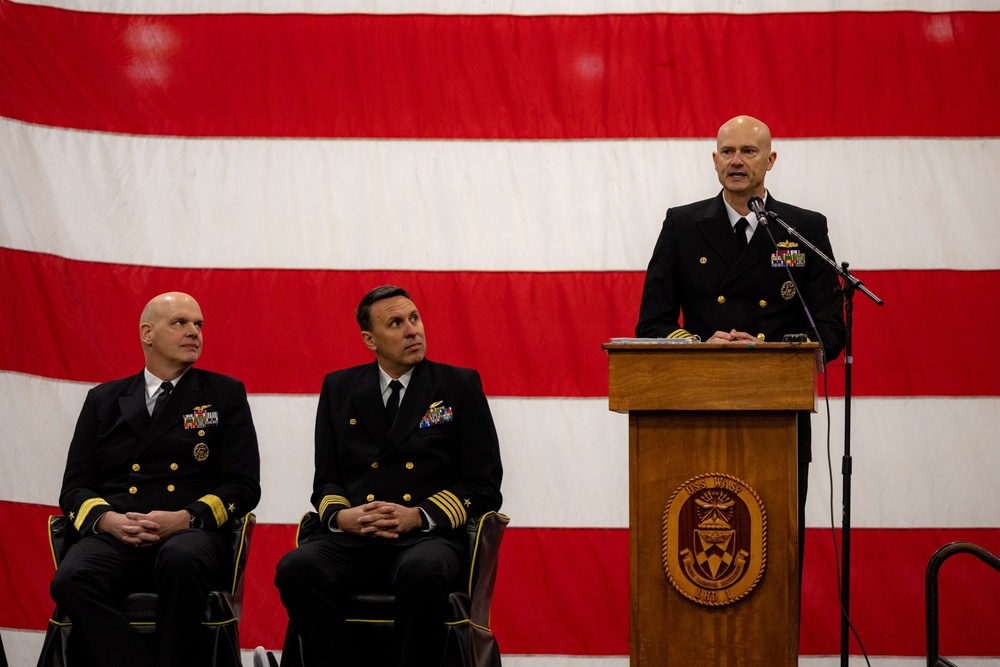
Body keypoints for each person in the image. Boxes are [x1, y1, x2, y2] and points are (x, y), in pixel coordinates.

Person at [635, 115, 846, 563]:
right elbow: (651, 323)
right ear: (714, 161)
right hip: (698, 411)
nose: (737, 161)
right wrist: (697, 344)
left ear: (770, 160)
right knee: (694, 546)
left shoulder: (802, 228)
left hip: (777, 417)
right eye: (728, 152)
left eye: (749, 152)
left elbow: (830, 329)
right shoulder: (682, 225)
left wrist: (770, 350)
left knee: (777, 551)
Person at [274, 285, 503, 667]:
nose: (412, 330)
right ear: (370, 339)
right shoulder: (339, 387)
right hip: (357, 537)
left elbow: (485, 485)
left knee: (422, 570)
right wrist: (340, 516)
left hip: (426, 538)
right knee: (295, 568)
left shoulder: (458, 385)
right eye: (396, 323)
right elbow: (326, 481)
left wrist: (419, 516)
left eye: (414, 318)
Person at [50, 292, 261, 667]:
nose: (194, 331)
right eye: (180, 323)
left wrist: (185, 518)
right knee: (70, 580)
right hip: (118, 531)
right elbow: (75, 488)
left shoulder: (224, 394)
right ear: (147, 333)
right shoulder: (104, 399)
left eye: (198, 324)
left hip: (188, 532)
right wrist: (108, 521)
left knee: (184, 560)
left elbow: (243, 485)